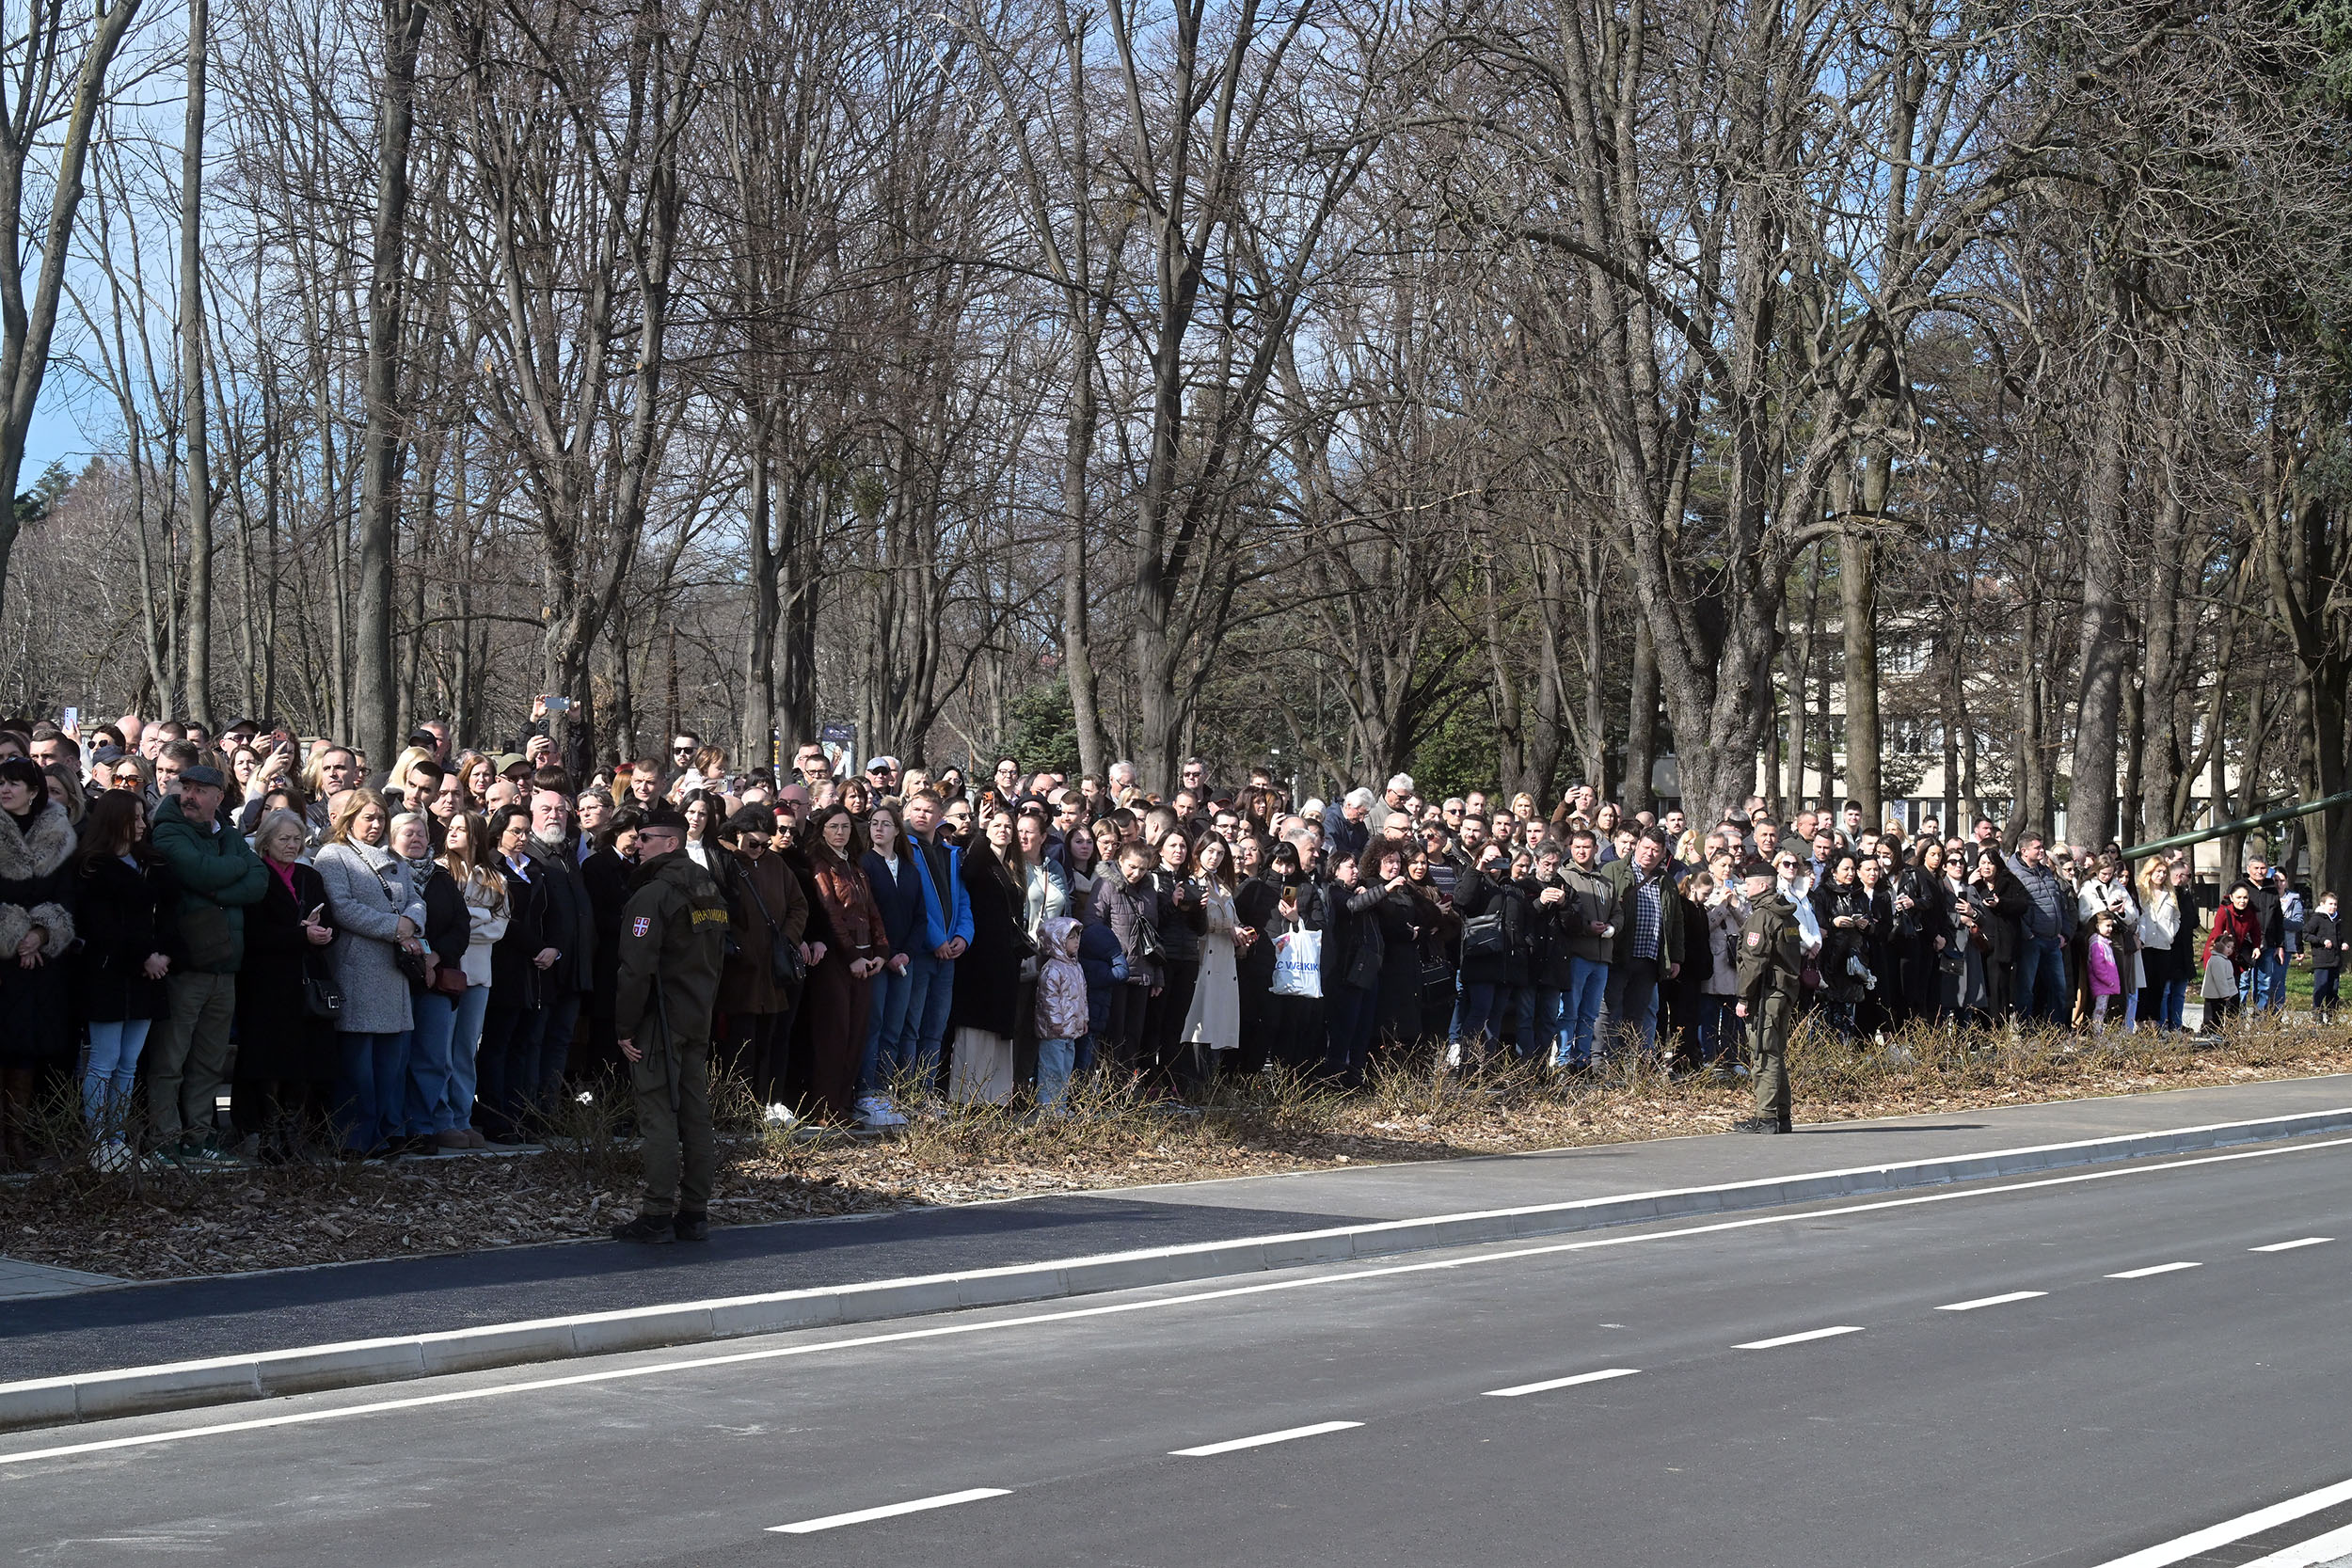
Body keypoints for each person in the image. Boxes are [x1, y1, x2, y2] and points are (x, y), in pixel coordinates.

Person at [610, 806, 731, 1243]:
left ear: (671, 842)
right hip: (697, 1015)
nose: (637, 844)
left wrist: (624, 1027)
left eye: (646, 837)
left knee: (658, 1113)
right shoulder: (708, 889)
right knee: (695, 1115)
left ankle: (657, 1213)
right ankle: (695, 1212)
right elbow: (717, 960)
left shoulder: (655, 894)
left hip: (660, 1020)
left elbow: (635, 969)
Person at [148, 762, 266, 1164]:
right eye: (187, 788)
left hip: (225, 965)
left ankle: (198, 1138)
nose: (190, 796)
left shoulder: (228, 834)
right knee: (170, 1059)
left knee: (210, 1061)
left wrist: (215, 891)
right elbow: (199, 871)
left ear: (219, 797)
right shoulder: (167, 830)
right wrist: (231, 872)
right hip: (186, 964)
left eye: (200, 790)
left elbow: (259, 882)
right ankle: (165, 1138)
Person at [314, 789, 427, 1159]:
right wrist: (396, 928)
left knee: (389, 1066)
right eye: (368, 817)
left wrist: (411, 921)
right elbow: (342, 907)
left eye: (381, 818)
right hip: (357, 969)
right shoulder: (333, 856)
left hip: (394, 973)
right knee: (357, 1067)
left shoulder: (395, 858)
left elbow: (416, 899)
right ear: (349, 819)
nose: (376, 824)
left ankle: (382, 1135)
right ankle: (352, 1140)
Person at [70, 792, 172, 1164]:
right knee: (104, 1059)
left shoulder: (150, 863)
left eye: (143, 817)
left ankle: (117, 1137)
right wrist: (145, 956)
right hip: (108, 973)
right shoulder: (91, 867)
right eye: (135, 818)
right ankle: (97, 1139)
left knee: (129, 1061)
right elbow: (102, 926)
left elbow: (165, 916)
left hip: (146, 975)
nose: (143, 825)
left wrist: (163, 954)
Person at [233, 809, 337, 1163]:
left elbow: (331, 922)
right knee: (268, 1061)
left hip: (304, 981)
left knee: (303, 1061)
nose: (292, 845)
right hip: (266, 983)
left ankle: (294, 1134)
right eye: (284, 839)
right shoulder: (256, 875)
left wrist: (322, 932)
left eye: (296, 839)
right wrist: (299, 935)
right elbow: (254, 933)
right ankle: (267, 1134)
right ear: (266, 841)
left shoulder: (309, 876)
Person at [714, 804, 808, 1109]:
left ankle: (765, 1105)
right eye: (753, 843)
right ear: (737, 833)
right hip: (738, 970)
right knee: (738, 1043)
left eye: (766, 844)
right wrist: (733, 944)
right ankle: (734, 1108)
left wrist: (787, 939)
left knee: (769, 1040)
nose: (759, 850)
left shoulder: (776, 864)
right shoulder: (723, 860)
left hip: (771, 970)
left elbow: (799, 906)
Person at [801, 805, 886, 1120]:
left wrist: (881, 950)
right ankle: (824, 1108)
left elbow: (871, 909)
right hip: (836, 960)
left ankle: (843, 1105)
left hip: (865, 958)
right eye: (834, 826)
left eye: (846, 827)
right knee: (833, 1035)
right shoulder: (820, 864)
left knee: (856, 1035)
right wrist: (852, 956)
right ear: (822, 829)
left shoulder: (855, 864)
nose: (840, 832)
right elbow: (831, 913)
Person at [477, 805, 552, 1143]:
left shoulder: (534, 868)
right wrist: (538, 946)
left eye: (526, 831)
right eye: (515, 831)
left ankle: (521, 1115)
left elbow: (549, 913)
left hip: (533, 971)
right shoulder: (491, 867)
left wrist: (553, 948)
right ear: (499, 832)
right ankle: (496, 1119)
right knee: (497, 1045)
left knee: (523, 1045)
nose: (522, 838)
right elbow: (501, 919)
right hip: (503, 965)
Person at [949, 808, 1028, 1103]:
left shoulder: (1012, 867)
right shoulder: (980, 861)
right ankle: (969, 1095)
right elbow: (968, 872)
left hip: (1006, 960)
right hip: (979, 958)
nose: (1003, 830)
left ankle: (996, 1096)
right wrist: (981, 831)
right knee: (977, 1024)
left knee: (1000, 1027)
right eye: (997, 825)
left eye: (1008, 826)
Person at [437, 812, 505, 1148]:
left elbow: (499, 928)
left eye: (460, 829)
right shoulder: (439, 870)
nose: (452, 834)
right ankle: (441, 1118)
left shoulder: (495, 878)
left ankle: (462, 1117)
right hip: (446, 972)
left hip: (478, 975)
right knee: (441, 1049)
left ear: (476, 835)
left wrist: (467, 921)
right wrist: (476, 917)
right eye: (450, 828)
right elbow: (445, 921)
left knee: (465, 1048)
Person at [857, 802, 921, 1128]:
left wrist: (906, 953)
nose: (878, 828)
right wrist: (888, 953)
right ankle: (866, 1092)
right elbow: (868, 914)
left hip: (904, 961)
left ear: (898, 830)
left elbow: (920, 917)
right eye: (874, 823)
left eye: (885, 823)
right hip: (877, 959)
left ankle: (885, 1091)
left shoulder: (910, 869)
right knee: (874, 1025)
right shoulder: (864, 864)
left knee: (895, 1029)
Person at [1734, 858, 1804, 1132]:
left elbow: (1754, 961)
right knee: (1775, 1053)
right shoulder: (1787, 915)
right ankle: (1781, 1116)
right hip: (1784, 991)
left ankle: (1766, 1117)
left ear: (1763, 886)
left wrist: (1743, 997)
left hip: (1766, 994)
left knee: (1763, 1055)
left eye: (1749, 884)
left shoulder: (1762, 916)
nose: (1745, 888)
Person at [1180, 832, 1242, 1074]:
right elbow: (1198, 921)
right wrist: (1229, 927)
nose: (1215, 857)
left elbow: (1233, 919)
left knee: (1218, 1020)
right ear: (1199, 852)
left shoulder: (1223, 885)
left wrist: (1242, 932)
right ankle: (1193, 1080)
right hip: (1203, 956)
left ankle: (1210, 1081)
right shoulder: (1192, 881)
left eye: (1220, 853)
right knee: (1198, 1021)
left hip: (1224, 960)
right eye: (1211, 851)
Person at [1034, 915, 1088, 1113]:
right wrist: (1055, 1022)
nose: (1076, 941)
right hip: (1054, 1031)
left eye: (1077, 937)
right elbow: (1048, 999)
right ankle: (1047, 1107)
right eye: (1071, 938)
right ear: (1058, 940)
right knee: (1052, 1069)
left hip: (1070, 1030)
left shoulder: (1076, 966)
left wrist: (1084, 1019)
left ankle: (1060, 1105)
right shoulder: (1052, 969)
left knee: (1065, 1070)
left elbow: (1082, 995)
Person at [2308, 890, 2341, 1022]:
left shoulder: (2337, 919)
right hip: (2321, 960)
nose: (2333, 907)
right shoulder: (2317, 918)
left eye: (2335, 904)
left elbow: (2339, 936)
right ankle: (2317, 1016)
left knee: (2333, 990)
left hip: (2335, 960)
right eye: (2330, 904)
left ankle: (2332, 1017)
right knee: (2320, 989)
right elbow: (2306, 934)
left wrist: (2343, 943)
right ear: (2322, 904)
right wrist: (2322, 941)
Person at [2201, 930, 2241, 1033]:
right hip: (2214, 995)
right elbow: (2220, 980)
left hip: (2219, 995)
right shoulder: (2217, 960)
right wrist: (2225, 994)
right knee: (2212, 1015)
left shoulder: (2224, 960)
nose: (2230, 950)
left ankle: (2216, 1031)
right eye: (2228, 947)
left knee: (2219, 1014)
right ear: (2219, 946)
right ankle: (2209, 1031)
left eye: (2232, 948)